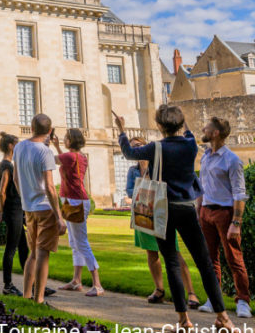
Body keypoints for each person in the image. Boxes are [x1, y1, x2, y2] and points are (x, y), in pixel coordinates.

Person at [115, 105, 237, 332]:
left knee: (171, 261)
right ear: (180, 124)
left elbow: (129, 153)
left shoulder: (156, 147)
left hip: (162, 207)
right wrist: (183, 118)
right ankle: (222, 316)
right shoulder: (190, 144)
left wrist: (122, 130)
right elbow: (189, 132)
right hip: (186, 207)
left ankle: (183, 319)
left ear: (159, 126)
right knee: (204, 264)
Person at [126, 138, 201, 308]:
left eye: (139, 145)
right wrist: (143, 173)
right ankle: (159, 289)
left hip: (162, 214)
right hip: (144, 213)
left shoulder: (160, 165)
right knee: (152, 254)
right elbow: (131, 191)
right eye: (134, 147)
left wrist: (147, 170)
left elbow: (166, 187)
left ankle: (191, 293)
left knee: (174, 253)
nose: (137, 149)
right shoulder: (133, 171)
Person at [198, 117, 252, 319]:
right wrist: (199, 210)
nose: (203, 129)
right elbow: (203, 186)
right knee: (210, 260)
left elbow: (239, 193)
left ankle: (243, 301)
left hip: (225, 213)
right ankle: (214, 299)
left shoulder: (232, 160)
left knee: (234, 259)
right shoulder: (205, 156)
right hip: (206, 212)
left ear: (216, 133)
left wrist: (236, 223)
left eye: (207, 127)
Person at [13, 113, 67, 304]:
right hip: (45, 208)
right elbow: (50, 187)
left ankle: (27, 294)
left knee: (33, 254)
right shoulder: (45, 152)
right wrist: (59, 216)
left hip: (29, 208)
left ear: (31, 127)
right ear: (50, 131)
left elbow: (16, 179)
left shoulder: (19, 147)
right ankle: (39, 299)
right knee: (42, 253)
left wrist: (25, 199)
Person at [50, 128, 103, 296]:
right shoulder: (81, 157)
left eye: (66, 138)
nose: (64, 139)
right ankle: (76, 281)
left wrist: (44, 146)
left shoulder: (69, 157)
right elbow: (65, 161)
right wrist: (57, 146)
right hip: (77, 200)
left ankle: (97, 284)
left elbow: (53, 160)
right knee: (75, 242)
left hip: (75, 201)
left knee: (81, 242)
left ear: (70, 140)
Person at [0, 132, 28, 296]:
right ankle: (8, 285)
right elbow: (2, 191)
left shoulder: (7, 164)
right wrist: (0, 210)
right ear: (11, 146)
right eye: (17, 143)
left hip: (16, 210)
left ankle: (33, 283)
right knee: (11, 249)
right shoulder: (7, 166)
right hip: (13, 211)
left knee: (24, 248)